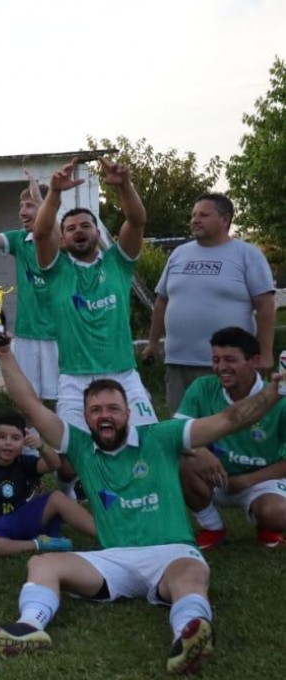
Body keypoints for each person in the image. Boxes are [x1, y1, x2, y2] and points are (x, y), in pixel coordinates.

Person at [0, 337, 285, 674]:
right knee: (43, 564)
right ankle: (29, 627)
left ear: (128, 413)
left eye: (112, 409)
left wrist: (276, 388)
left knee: (191, 574)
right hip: (113, 560)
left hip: (171, 552)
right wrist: (4, 355)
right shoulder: (78, 446)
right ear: (86, 418)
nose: (105, 416)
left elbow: (230, 419)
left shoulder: (160, 437)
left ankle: (188, 636)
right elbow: (30, 406)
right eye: (96, 410)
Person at [34, 158, 157, 427]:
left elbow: (136, 221)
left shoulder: (118, 263)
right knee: (71, 461)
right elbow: (42, 233)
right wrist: (54, 192)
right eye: (70, 228)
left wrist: (125, 185)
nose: (78, 230)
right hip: (75, 380)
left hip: (123, 374)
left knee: (147, 443)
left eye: (85, 225)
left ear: (97, 232)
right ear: (63, 240)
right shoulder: (57, 270)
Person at [145, 194, 276, 411]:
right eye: (194, 215)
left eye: (204, 215)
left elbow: (266, 307)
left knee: (229, 427)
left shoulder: (247, 255)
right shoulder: (179, 254)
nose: (195, 220)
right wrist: (152, 343)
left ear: (225, 220)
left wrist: (265, 354)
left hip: (227, 365)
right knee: (183, 429)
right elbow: (161, 301)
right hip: (178, 362)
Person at [174, 327, 286, 549]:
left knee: (278, 514)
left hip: (261, 479)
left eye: (230, 360)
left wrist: (247, 481)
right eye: (216, 359)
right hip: (213, 475)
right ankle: (213, 528)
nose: (221, 367)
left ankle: (267, 524)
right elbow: (176, 432)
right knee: (183, 458)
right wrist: (199, 451)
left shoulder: (279, 399)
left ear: (254, 361)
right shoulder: (203, 387)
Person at [0, 165, 59, 402]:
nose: (22, 212)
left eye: (30, 205)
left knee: (62, 399)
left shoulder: (63, 238)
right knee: (27, 399)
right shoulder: (18, 239)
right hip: (26, 334)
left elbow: (55, 237)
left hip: (59, 335)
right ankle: (32, 438)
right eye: (21, 207)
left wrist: (42, 199)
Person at [0, 410, 96, 558]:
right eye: (2, 437)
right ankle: (39, 544)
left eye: (15, 438)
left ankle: (105, 534)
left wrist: (41, 446)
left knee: (56, 497)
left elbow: (54, 464)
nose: (8, 443)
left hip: (20, 519)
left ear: (24, 442)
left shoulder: (23, 462)